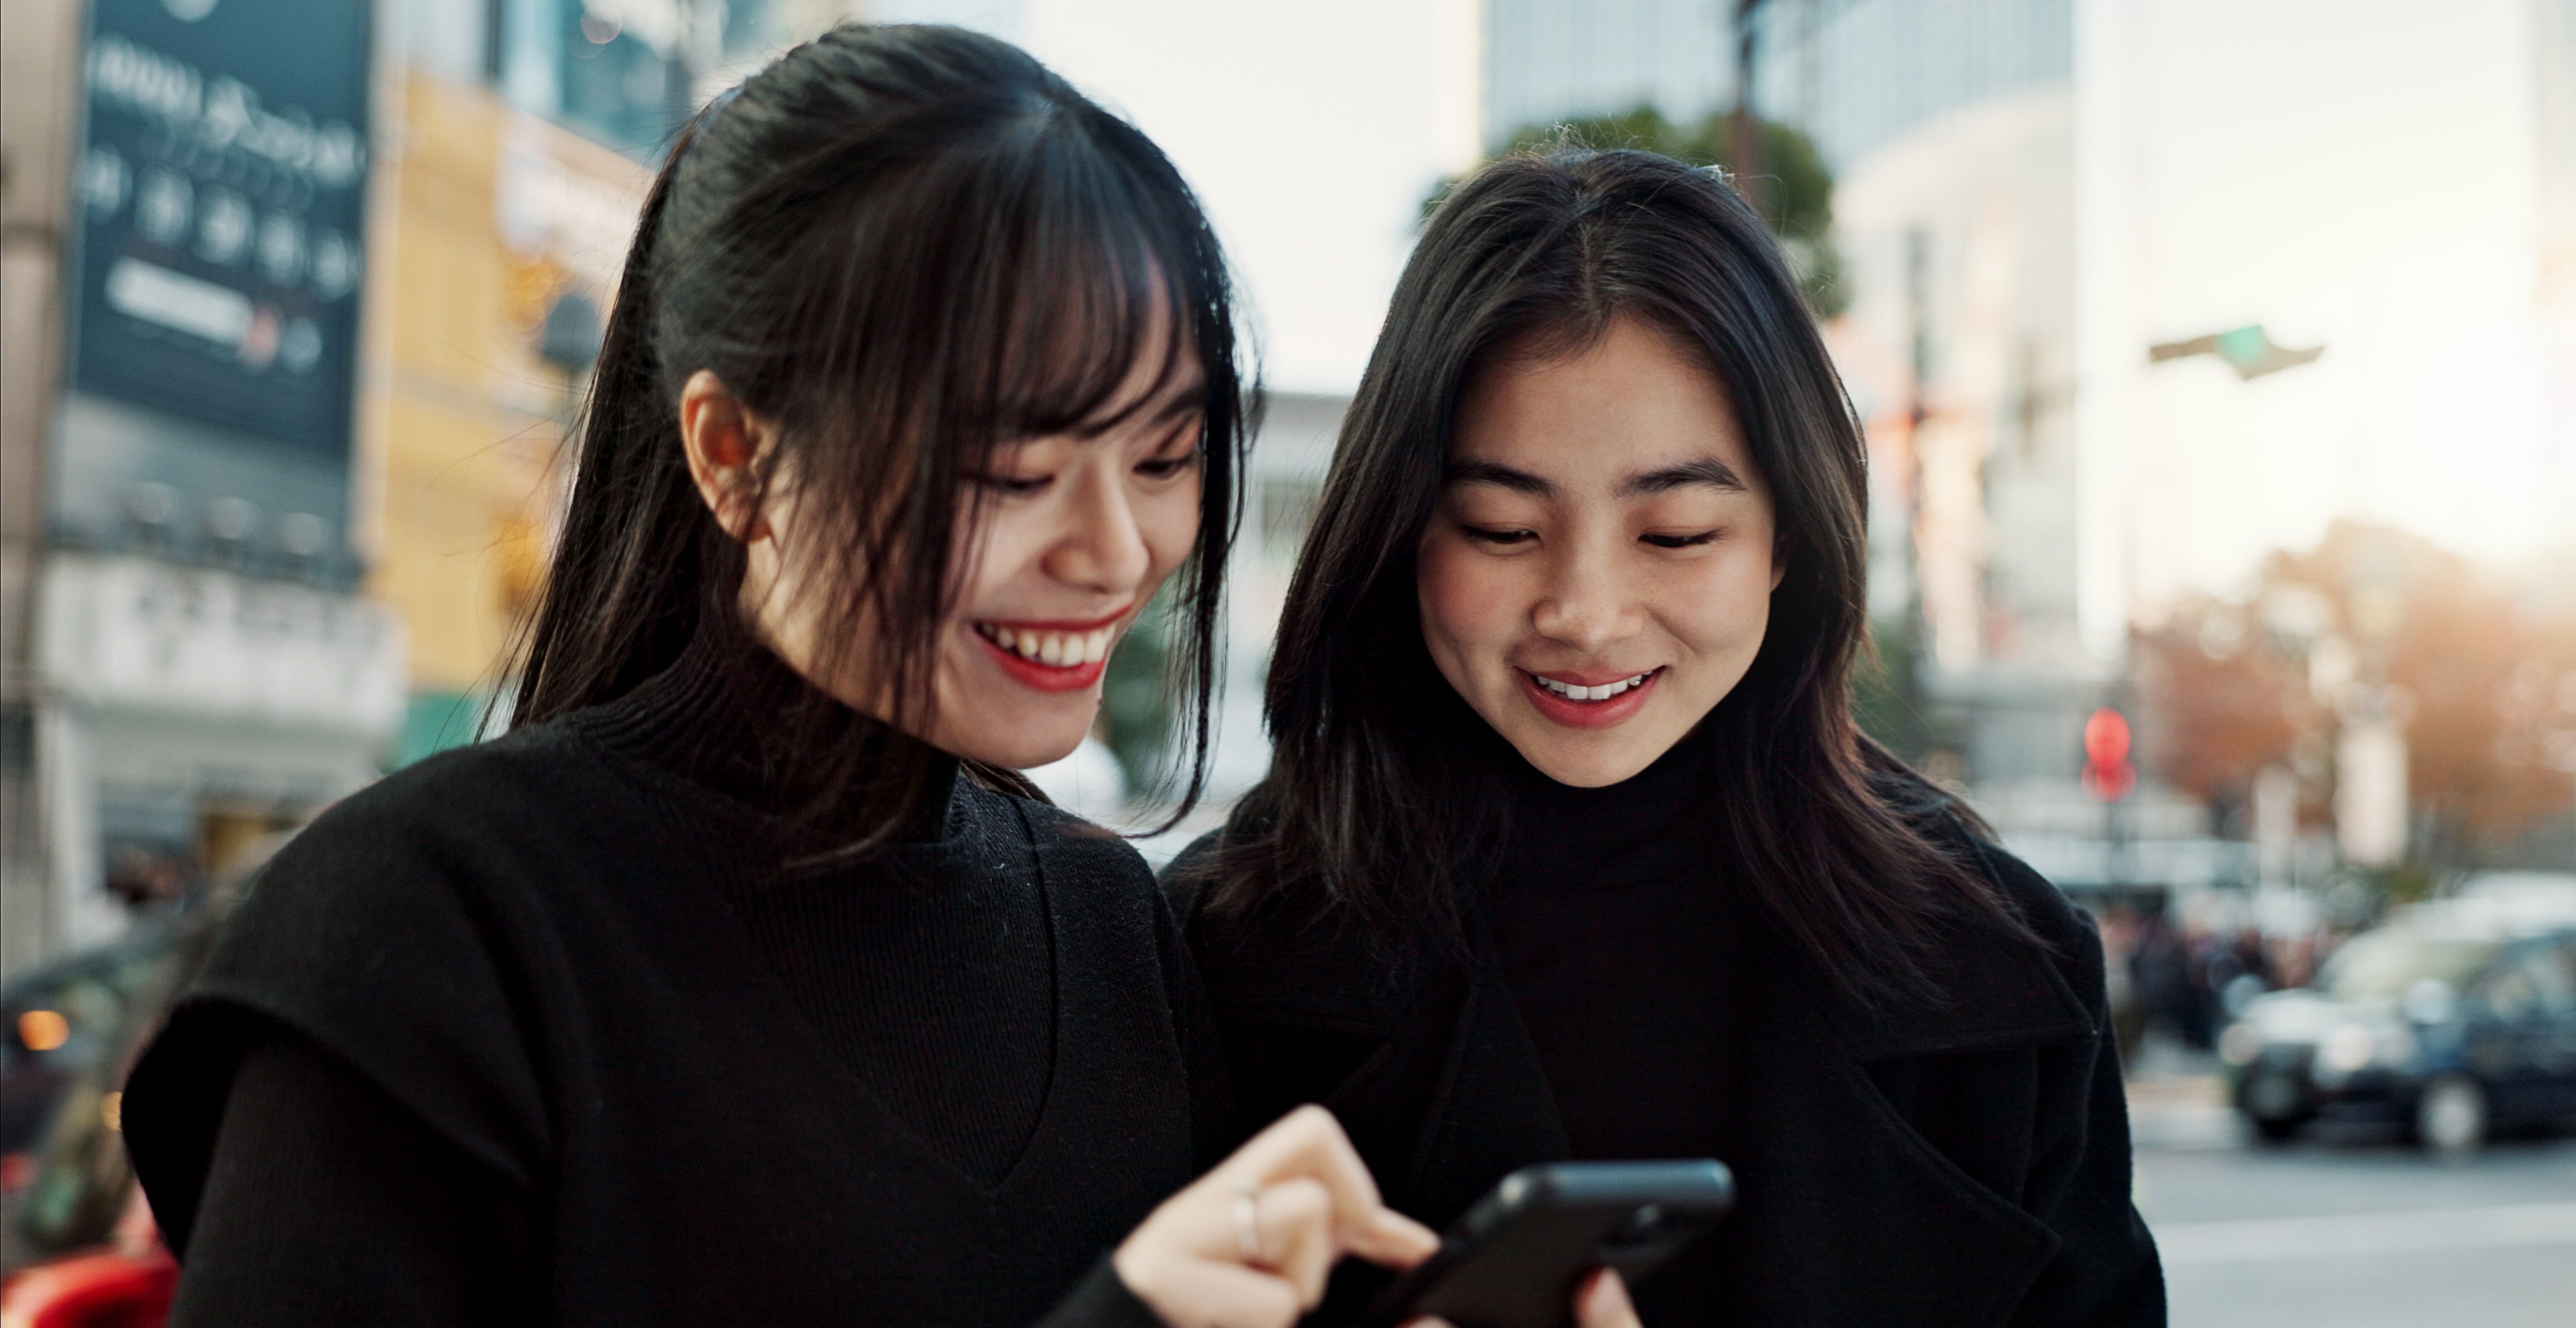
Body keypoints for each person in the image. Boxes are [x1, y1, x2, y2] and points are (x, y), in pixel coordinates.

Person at [120, 25, 1440, 1327]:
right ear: (735, 452)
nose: (1114, 550)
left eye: (1163, 460)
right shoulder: (428, 925)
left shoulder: (1110, 932)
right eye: (1014, 473)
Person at [1168, 148, 2166, 1324]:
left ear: (1790, 541)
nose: (1585, 614)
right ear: (1400, 534)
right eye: (1499, 527)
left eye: (1678, 534)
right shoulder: (1207, 959)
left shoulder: (2004, 959)